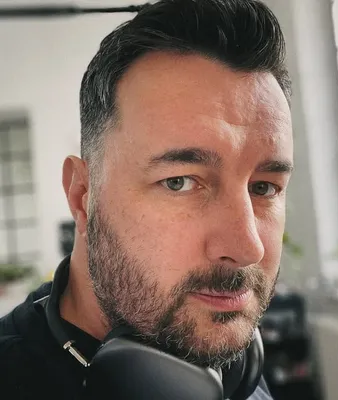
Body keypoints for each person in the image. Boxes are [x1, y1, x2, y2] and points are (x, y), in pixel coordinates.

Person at [0, 0, 293, 398]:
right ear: (83, 196)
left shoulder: (230, 368)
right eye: (179, 183)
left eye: (264, 188)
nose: (248, 248)